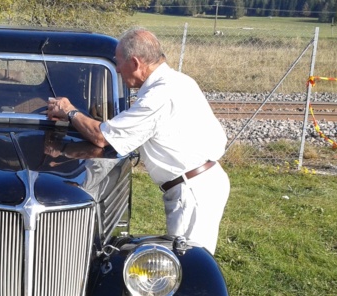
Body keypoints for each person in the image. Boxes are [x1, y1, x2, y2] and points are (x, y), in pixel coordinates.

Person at [46, 28, 230, 255]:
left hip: (191, 189)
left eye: (118, 62)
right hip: (200, 179)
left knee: (188, 258)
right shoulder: (178, 81)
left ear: (135, 63)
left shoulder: (158, 96)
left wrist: (70, 111)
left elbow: (103, 137)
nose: (116, 68)